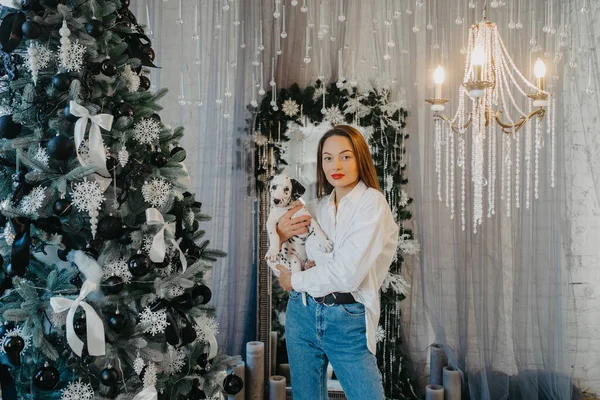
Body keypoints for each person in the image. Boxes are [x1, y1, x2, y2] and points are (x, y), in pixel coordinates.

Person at [275, 125, 399, 400]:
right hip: (302, 313)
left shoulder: (372, 204)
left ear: (360, 159)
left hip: (347, 318)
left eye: (346, 156)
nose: (336, 165)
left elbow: (347, 275)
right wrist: (280, 234)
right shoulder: (317, 207)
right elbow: (288, 255)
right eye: (328, 158)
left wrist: (293, 280)